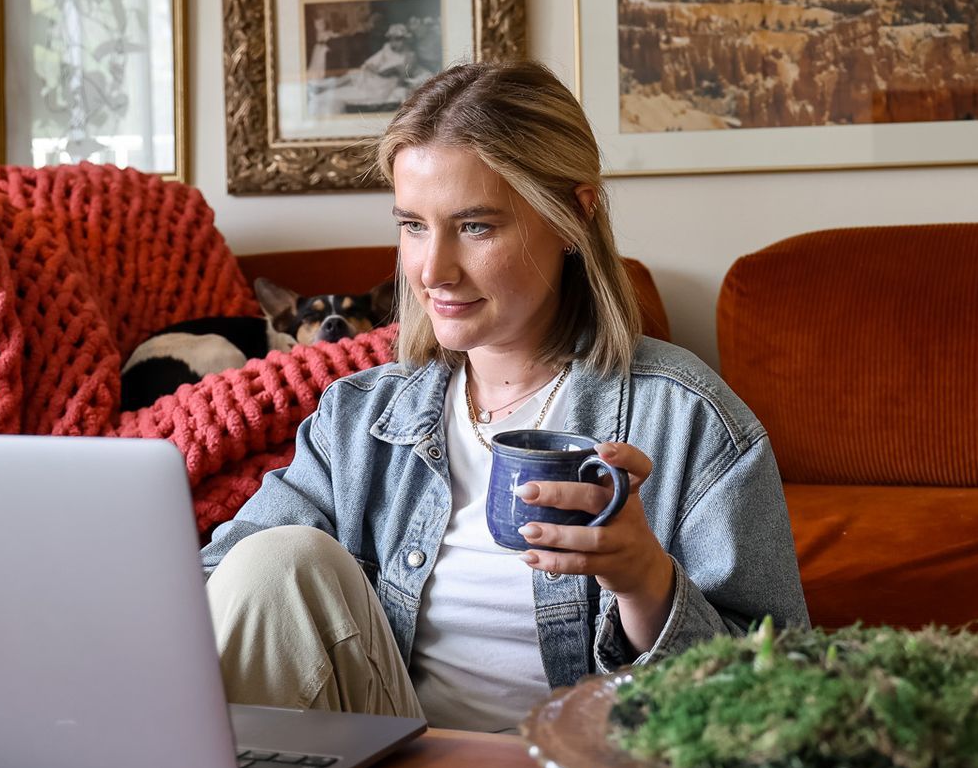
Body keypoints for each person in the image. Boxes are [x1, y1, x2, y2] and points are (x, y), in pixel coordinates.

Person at [198, 60, 809, 732]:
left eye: (476, 226)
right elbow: (225, 591)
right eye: (414, 225)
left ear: (573, 218)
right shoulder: (359, 417)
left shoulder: (690, 419)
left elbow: (779, 696)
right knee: (276, 560)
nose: (433, 271)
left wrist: (646, 583)